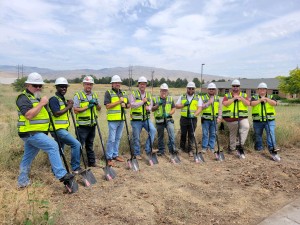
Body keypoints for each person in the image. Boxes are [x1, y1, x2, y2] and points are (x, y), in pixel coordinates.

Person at [16, 72, 74, 190]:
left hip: (37, 133)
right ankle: (62, 175)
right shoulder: (23, 98)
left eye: (40, 86)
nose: (38, 88)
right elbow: (28, 115)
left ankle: (22, 181)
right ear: (27, 85)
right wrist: (42, 103)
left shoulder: (35, 98)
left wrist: (41, 103)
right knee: (53, 146)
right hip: (30, 133)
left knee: (27, 157)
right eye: (35, 85)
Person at [49, 77, 82, 173]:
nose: (64, 89)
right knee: (76, 144)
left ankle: (55, 169)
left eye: (65, 87)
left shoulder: (62, 99)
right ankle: (75, 168)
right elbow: (57, 113)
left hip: (62, 129)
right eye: (61, 87)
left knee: (59, 150)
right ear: (56, 87)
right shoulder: (54, 99)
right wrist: (69, 106)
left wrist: (68, 104)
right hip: (58, 130)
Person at [73, 76, 101, 167]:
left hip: (92, 124)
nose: (89, 86)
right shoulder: (78, 96)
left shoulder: (95, 95)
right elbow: (76, 110)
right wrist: (87, 106)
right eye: (87, 84)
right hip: (82, 126)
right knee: (79, 145)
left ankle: (91, 163)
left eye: (90, 84)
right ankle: (76, 165)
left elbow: (99, 108)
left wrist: (96, 104)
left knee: (90, 145)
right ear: (83, 84)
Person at [104, 75, 130, 166]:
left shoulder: (123, 93)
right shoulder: (108, 93)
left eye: (118, 83)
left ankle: (115, 155)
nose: (117, 84)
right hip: (112, 120)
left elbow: (128, 105)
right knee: (111, 139)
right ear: (112, 84)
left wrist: (125, 105)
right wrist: (119, 102)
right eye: (115, 83)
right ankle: (109, 157)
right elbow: (107, 106)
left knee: (118, 138)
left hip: (121, 119)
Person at [250, 82, 280, 161]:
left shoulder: (271, 96)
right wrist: (260, 100)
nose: (262, 91)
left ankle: (272, 149)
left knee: (271, 134)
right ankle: (259, 148)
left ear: (266, 90)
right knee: (258, 135)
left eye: (264, 89)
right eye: (260, 89)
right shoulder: (254, 97)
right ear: (258, 90)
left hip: (269, 120)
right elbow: (252, 104)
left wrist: (266, 99)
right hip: (257, 121)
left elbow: (275, 103)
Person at [129, 76, 157, 160]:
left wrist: (148, 108)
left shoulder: (148, 94)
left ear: (146, 85)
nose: (142, 85)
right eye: (141, 84)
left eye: (144, 84)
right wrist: (142, 102)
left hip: (146, 119)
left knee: (152, 130)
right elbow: (132, 104)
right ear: (138, 85)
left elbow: (151, 104)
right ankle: (137, 153)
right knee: (136, 137)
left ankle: (148, 149)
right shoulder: (133, 94)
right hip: (136, 120)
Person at [222, 79, 250, 159]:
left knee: (246, 126)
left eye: (237, 86)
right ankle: (232, 148)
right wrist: (234, 99)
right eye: (234, 86)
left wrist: (241, 99)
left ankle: (239, 145)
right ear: (231, 87)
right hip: (231, 118)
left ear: (239, 87)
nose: (235, 88)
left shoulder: (244, 95)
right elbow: (225, 103)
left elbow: (248, 103)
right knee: (233, 133)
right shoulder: (227, 96)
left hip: (242, 117)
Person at [175, 82, 202, 157]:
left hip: (193, 119)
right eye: (189, 88)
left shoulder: (198, 97)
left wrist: (194, 114)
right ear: (187, 89)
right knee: (183, 133)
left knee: (191, 134)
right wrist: (183, 105)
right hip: (184, 119)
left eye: (192, 88)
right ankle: (182, 148)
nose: (190, 90)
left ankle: (190, 150)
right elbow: (176, 106)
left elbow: (200, 108)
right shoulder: (182, 96)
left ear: (194, 89)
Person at [152, 83, 176, 156]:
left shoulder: (170, 99)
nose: (164, 92)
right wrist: (157, 104)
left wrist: (169, 114)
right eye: (162, 90)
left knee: (171, 134)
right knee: (160, 136)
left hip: (168, 119)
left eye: (165, 91)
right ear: (160, 91)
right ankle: (161, 150)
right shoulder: (155, 99)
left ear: (167, 91)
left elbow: (174, 108)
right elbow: (152, 109)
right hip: (159, 120)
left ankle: (172, 150)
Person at [200, 83, 222, 153]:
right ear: (207, 90)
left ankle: (211, 147)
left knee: (213, 134)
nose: (211, 90)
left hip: (214, 119)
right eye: (210, 89)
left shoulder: (218, 98)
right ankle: (204, 147)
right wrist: (209, 103)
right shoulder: (203, 98)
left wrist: (219, 117)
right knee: (205, 134)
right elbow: (201, 107)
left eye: (213, 89)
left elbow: (220, 109)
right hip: (205, 119)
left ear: (215, 90)